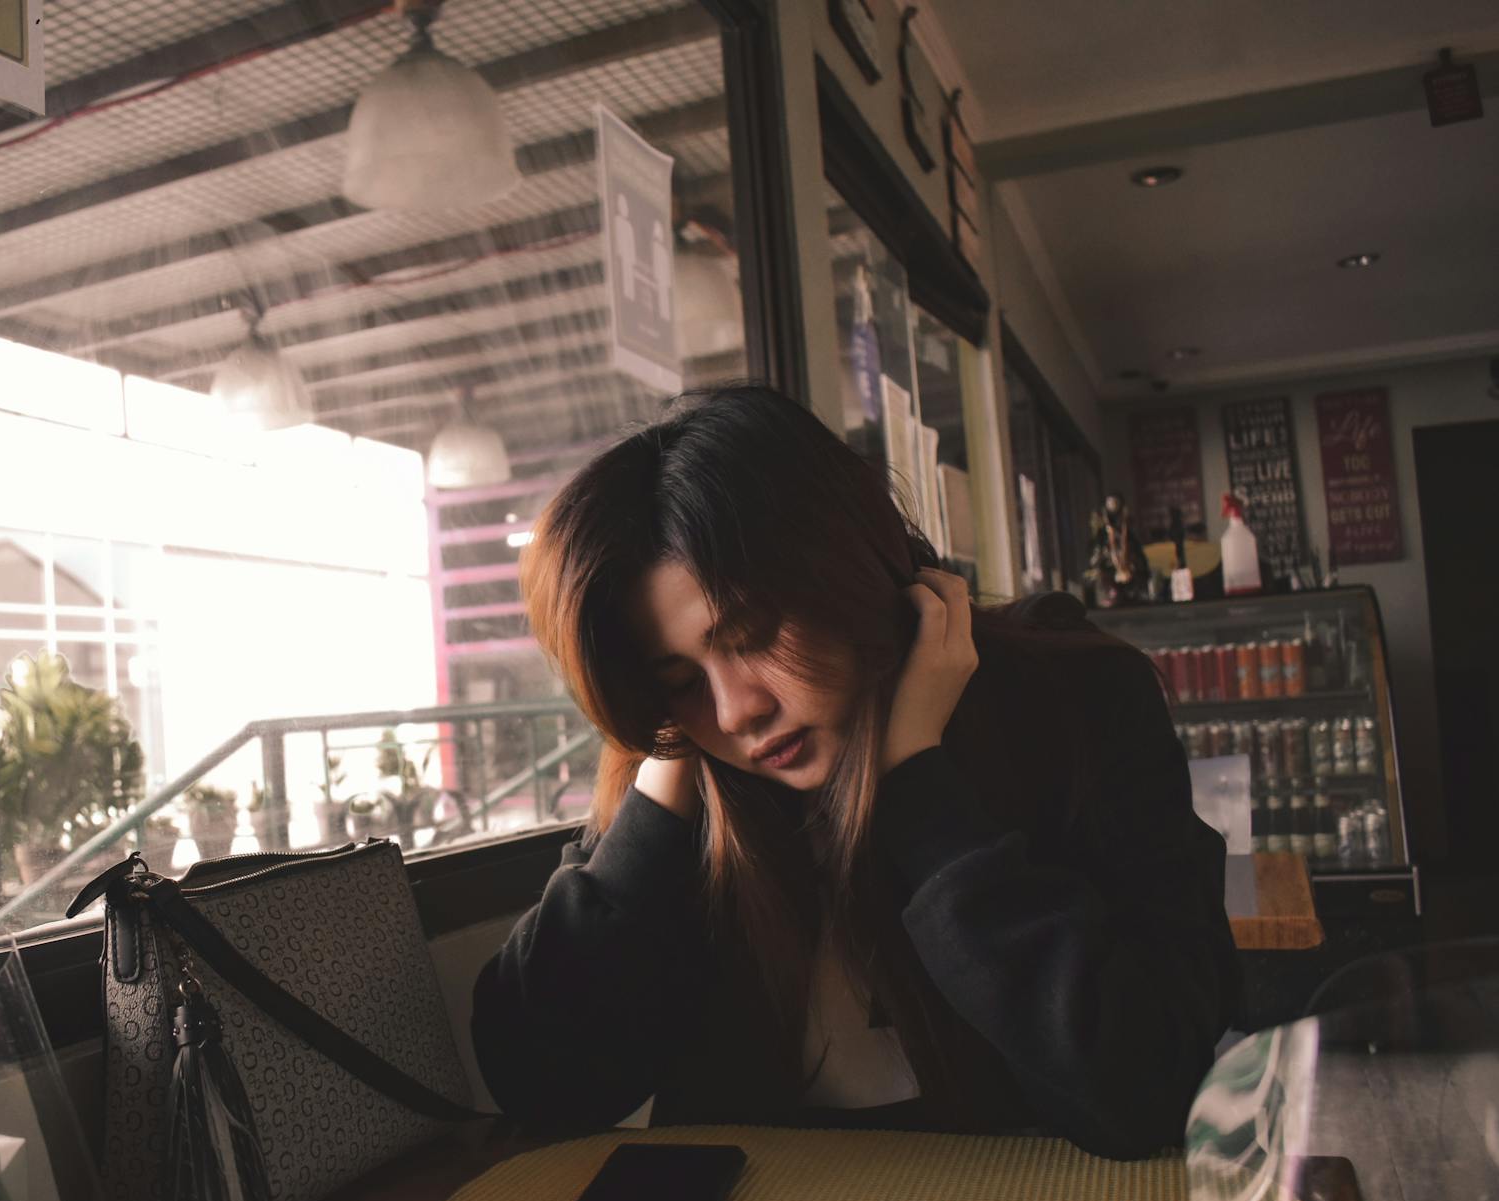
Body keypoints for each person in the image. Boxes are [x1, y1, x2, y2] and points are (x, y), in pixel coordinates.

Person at [471, 386, 1239, 1160]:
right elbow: (543, 1085)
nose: (735, 711)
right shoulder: (689, 767)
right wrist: (657, 787)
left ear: (851, 570)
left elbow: (1149, 1089)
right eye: (678, 677)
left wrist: (918, 784)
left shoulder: (1075, 701)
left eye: (754, 634)